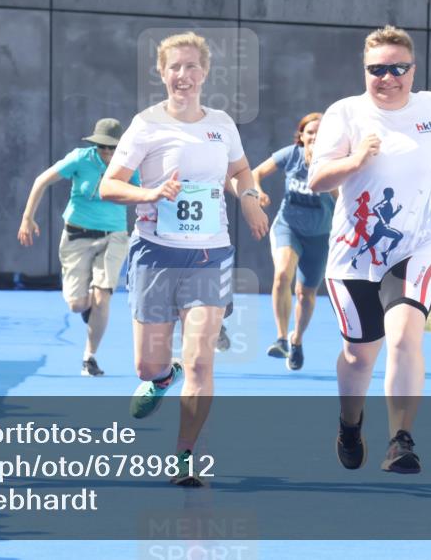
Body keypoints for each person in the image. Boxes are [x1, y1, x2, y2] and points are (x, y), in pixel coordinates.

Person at [100, 31, 268, 486]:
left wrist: (249, 197)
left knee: (200, 362)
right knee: (147, 365)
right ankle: (160, 377)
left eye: (192, 66)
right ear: (161, 72)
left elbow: (239, 169)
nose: (183, 75)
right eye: (175, 66)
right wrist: (149, 192)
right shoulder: (146, 124)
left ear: (205, 72)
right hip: (155, 254)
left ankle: (186, 455)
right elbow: (109, 185)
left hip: (210, 255)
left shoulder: (222, 124)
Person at [308, 25, 431, 475]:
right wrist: (355, 161)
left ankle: (400, 440)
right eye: (376, 70)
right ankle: (350, 425)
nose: (387, 77)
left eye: (397, 68)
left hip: (417, 247)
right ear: (364, 70)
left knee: (406, 335)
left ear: (413, 68)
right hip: (354, 257)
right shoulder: (345, 113)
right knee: (359, 354)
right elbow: (318, 180)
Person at [18, 118, 139, 376]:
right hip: (77, 235)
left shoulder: (130, 164)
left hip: (114, 237)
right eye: (101, 147)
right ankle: (87, 310)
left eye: (112, 148)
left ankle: (89, 358)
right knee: (77, 304)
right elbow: (41, 180)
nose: (106, 153)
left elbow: (146, 193)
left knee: (102, 296)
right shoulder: (80, 159)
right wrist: (28, 218)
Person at [252, 112, 336, 370]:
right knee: (281, 276)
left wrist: (326, 177)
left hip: (320, 236)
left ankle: (296, 339)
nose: (314, 137)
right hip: (288, 227)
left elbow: (342, 196)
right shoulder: (290, 155)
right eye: (310, 132)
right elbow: (256, 173)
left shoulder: (334, 162)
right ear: (301, 136)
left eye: (320, 133)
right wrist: (258, 191)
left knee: (306, 293)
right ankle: (280, 338)